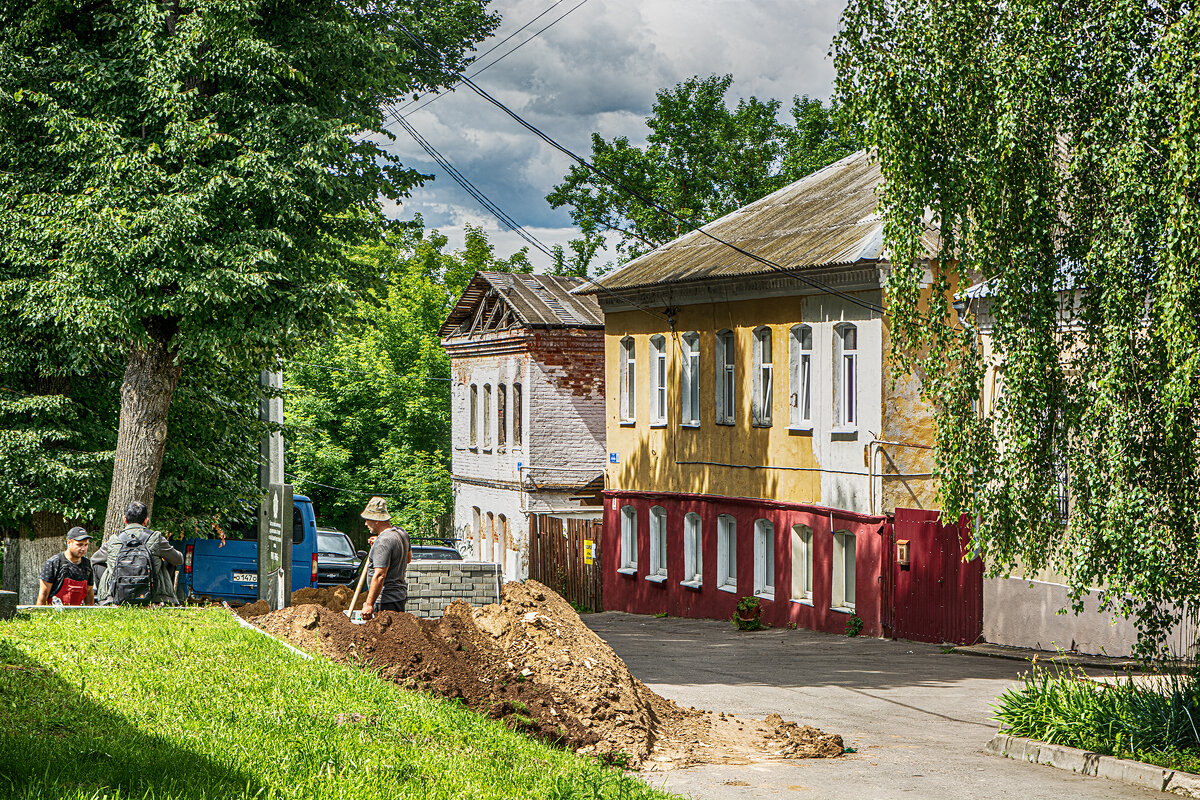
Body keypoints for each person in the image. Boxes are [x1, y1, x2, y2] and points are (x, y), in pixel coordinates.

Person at [94, 501, 183, 605]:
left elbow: (94, 560)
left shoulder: (114, 540)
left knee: (98, 565)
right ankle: (160, 598)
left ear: (125, 519)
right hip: (151, 594)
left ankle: (109, 596)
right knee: (169, 561)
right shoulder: (155, 538)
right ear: (145, 521)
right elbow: (178, 559)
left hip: (118, 593)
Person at [359, 496, 411, 620]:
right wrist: (379, 544)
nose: (366, 523)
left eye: (367, 519)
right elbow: (408, 559)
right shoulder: (401, 533)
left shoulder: (384, 542)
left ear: (377, 520)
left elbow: (380, 575)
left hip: (385, 601)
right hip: (398, 598)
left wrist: (369, 604)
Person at [36, 527, 95, 606]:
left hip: (78, 616)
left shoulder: (87, 565)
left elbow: (89, 594)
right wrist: (40, 616)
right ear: (69, 543)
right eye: (79, 545)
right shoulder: (54, 563)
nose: (83, 548)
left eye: (86, 545)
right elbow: (43, 595)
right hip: (54, 615)